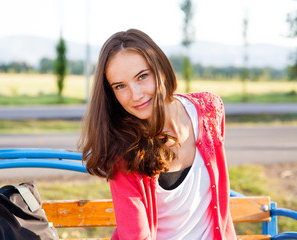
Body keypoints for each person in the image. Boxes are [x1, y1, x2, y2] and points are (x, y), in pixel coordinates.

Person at [79, 29, 237, 240]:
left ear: (161, 69)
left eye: (142, 76)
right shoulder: (123, 150)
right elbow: (136, 235)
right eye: (120, 86)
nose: (136, 95)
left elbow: (220, 205)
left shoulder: (209, 110)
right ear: (112, 94)